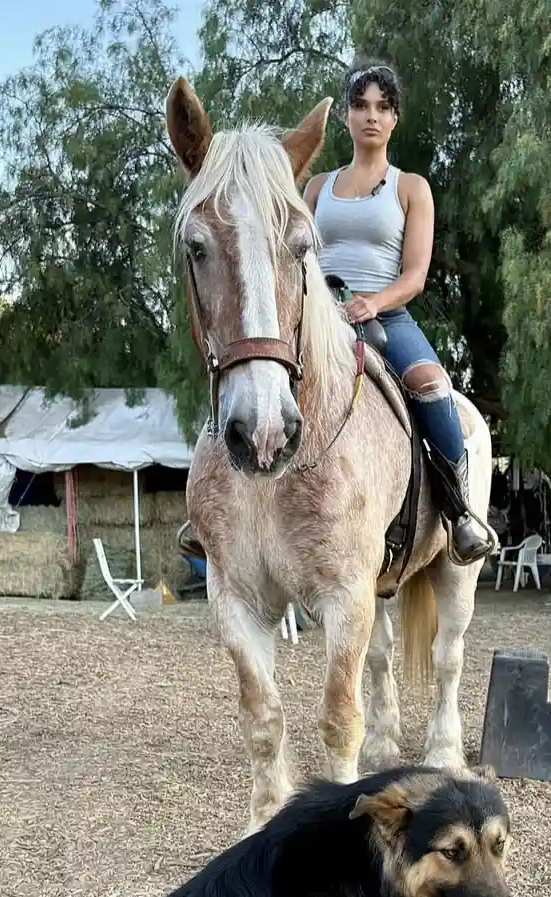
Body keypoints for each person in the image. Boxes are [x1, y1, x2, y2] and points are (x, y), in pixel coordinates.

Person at [177, 61, 495, 567]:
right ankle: (212, 508)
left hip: (385, 317)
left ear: (394, 118)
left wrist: (374, 302)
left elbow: (416, 275)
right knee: (252, 368)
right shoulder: (317, 186)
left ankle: (458, 511)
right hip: (318, 318)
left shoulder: (411, 187)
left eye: (383, 107)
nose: (372, 116)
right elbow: (287, 253)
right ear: (346, 117)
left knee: (433, 386)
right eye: (361, 106)